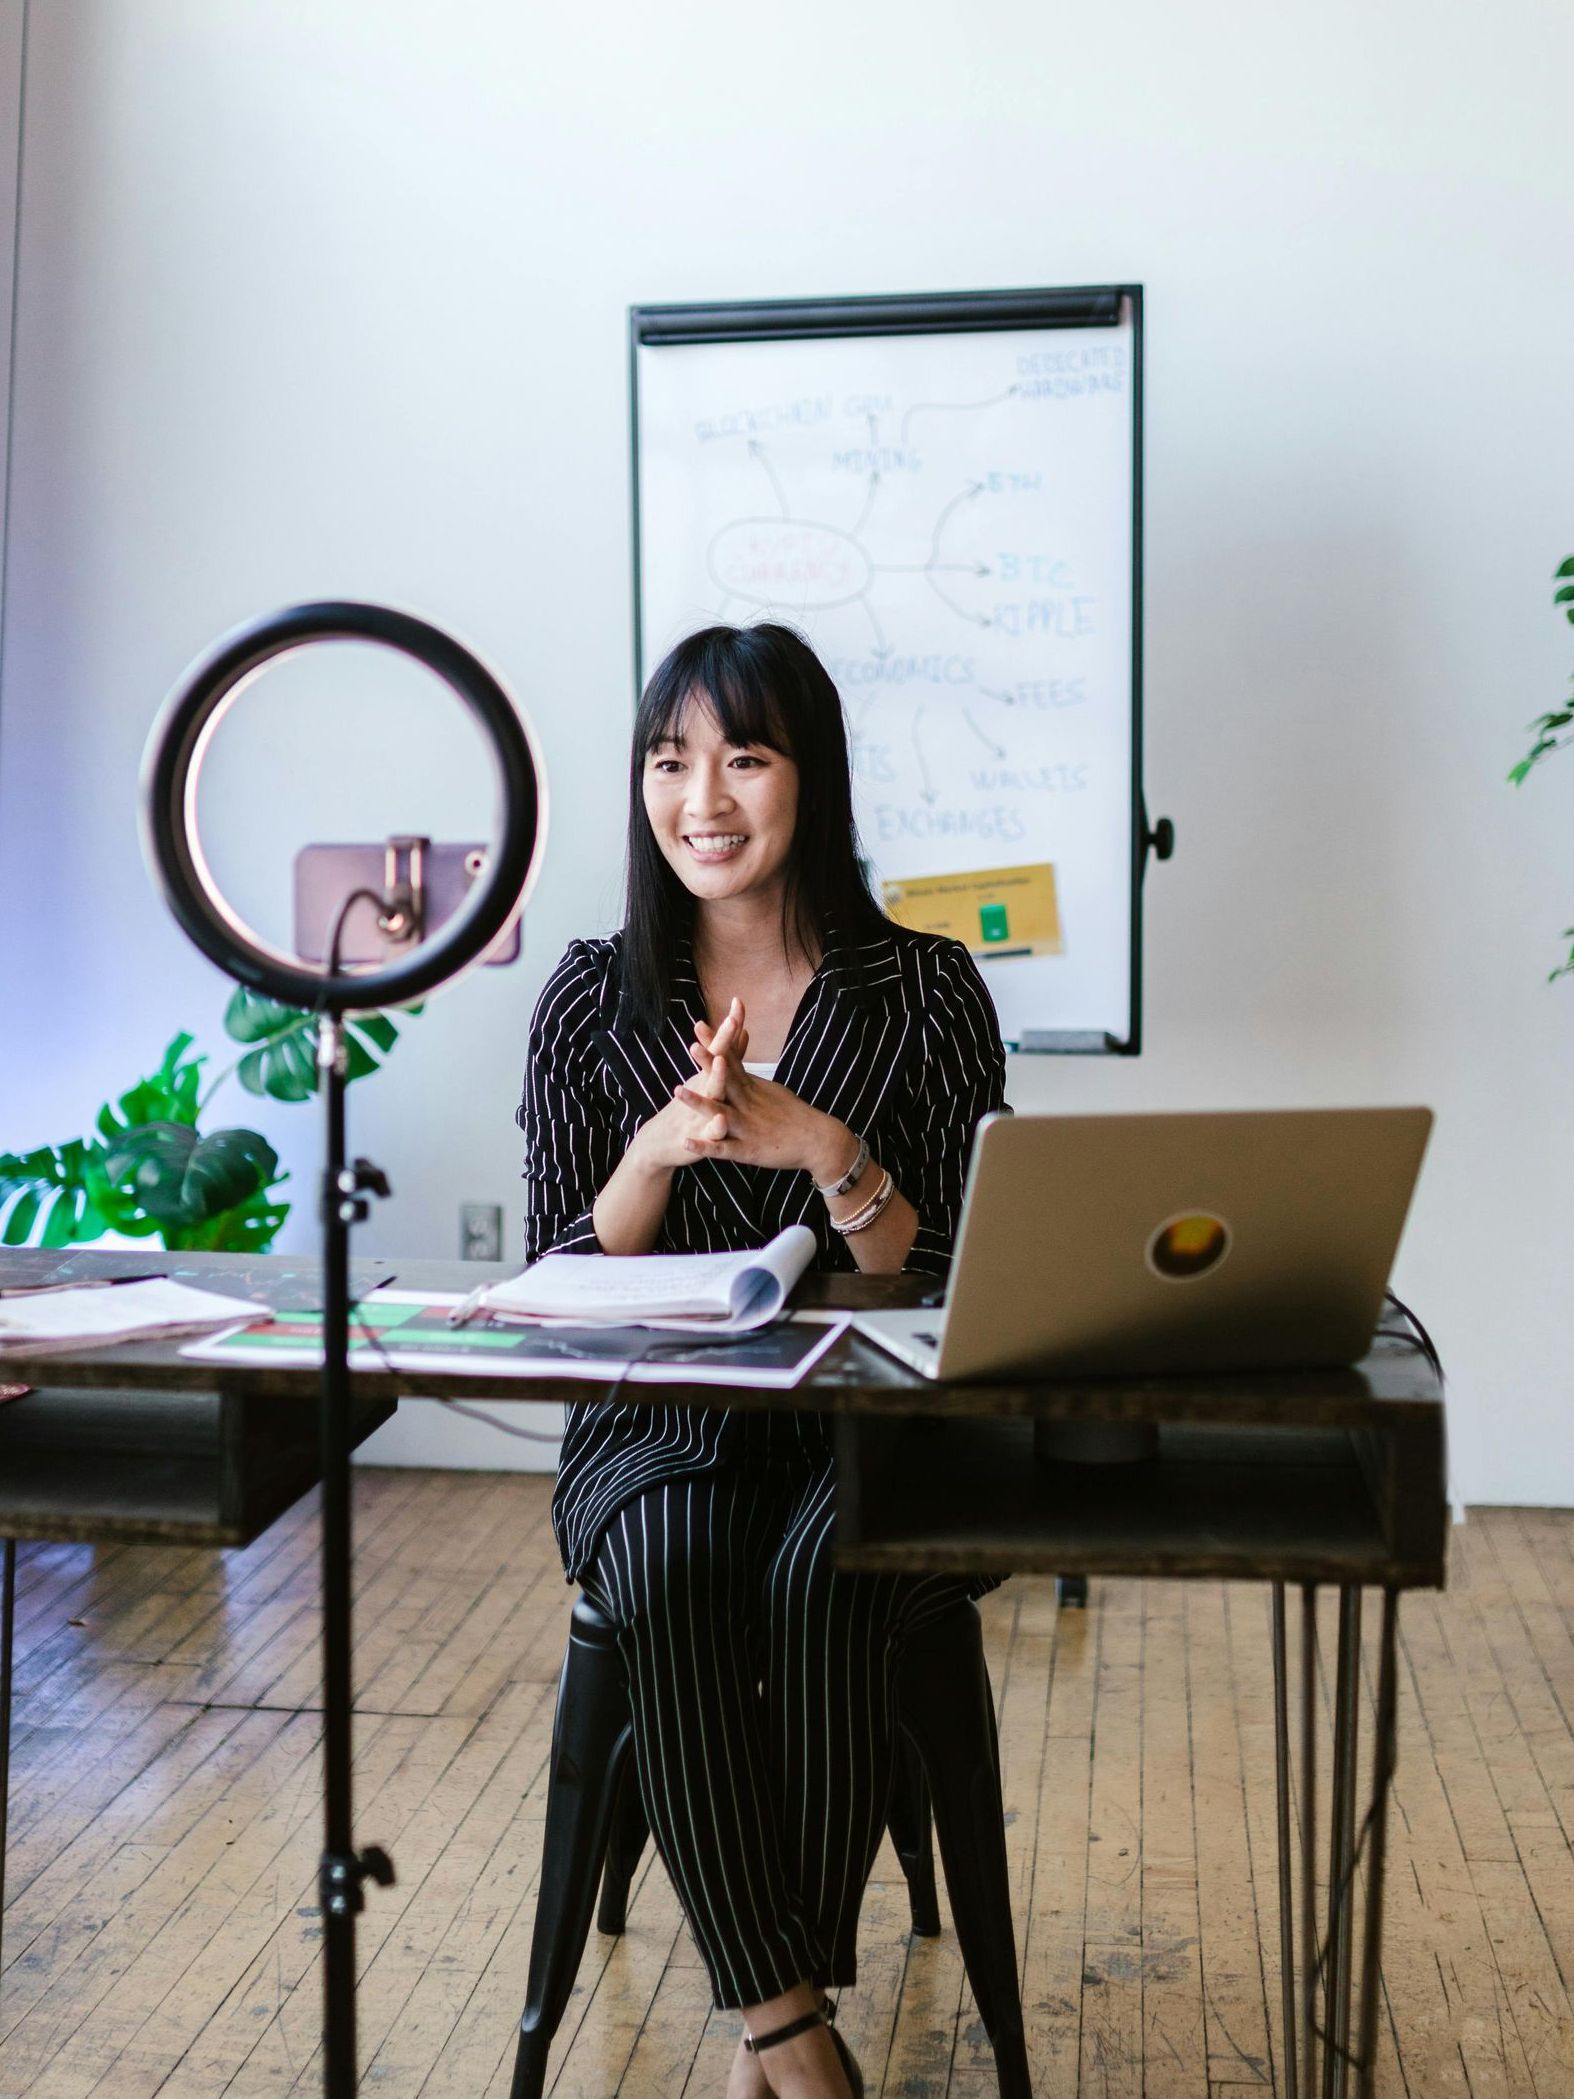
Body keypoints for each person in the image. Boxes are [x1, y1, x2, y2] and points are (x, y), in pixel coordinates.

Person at [517, 622, 1008, 2099]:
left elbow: (960, 1279)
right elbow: (561, 1272)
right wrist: (660, 1150)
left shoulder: (923, 987)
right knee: (665, 1564)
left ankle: (766, 2008)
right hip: (659, 1420)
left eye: (743, 755)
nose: (701, 798)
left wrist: (825, 1150)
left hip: (873, 1429)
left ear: (812, 778)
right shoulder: (593, 997)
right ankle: (787, 2025)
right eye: (670, 761)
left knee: (822, 1568)